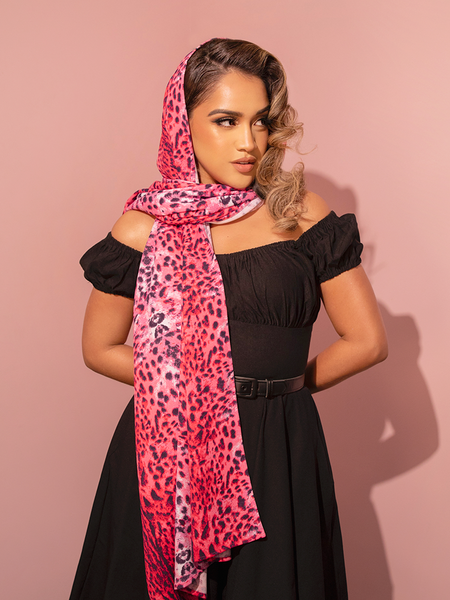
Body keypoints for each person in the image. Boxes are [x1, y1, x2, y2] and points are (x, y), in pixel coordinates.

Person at [70, 38, 388, 600]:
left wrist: (277, 391)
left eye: (260, 121)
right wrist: (197, 389)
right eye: (226, 121)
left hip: (279, 443)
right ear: (182, 123)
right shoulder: (144, 227)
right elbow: (99, 348)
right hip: (171, 442)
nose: (249, 142)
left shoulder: (299, 214)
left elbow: (366, 341)